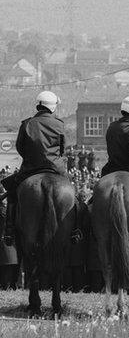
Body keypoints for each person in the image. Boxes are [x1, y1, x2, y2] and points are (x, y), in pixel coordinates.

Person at [1, 91, 67, 245]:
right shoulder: (59, 124)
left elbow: (20, 147)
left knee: (12, 193)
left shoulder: (27, 124)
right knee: (73, 194)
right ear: (53, 107)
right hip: (56, 168)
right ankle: (76, 228)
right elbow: (63, 149)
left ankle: (9, 230)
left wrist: (31, 158)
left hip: (30, 168)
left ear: (39, 105)